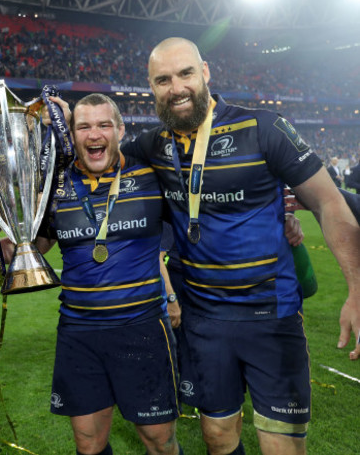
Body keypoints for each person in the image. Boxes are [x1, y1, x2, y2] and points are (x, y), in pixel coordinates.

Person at [126, 37, 360, 455]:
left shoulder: (263, 128)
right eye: (163, 79)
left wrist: (357, 289)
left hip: (271, 316)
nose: (176, 87)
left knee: (281, 446)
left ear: (206, 73)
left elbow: (329, 202)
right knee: (217, 437)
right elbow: (97, 155)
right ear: (151, 87)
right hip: (204, 321)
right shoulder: (150, 145)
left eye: (185, 74)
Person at [34, 93, 183, 455]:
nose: (93, 133)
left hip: (143, 328)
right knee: (88, 442)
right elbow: (35, 246)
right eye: (83, 126)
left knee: (159, 440)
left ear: (120, 129)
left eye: (103, 125)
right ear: (72, 134)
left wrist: (286, 219)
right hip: (79, 333)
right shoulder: (56, 186)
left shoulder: (149, 174)